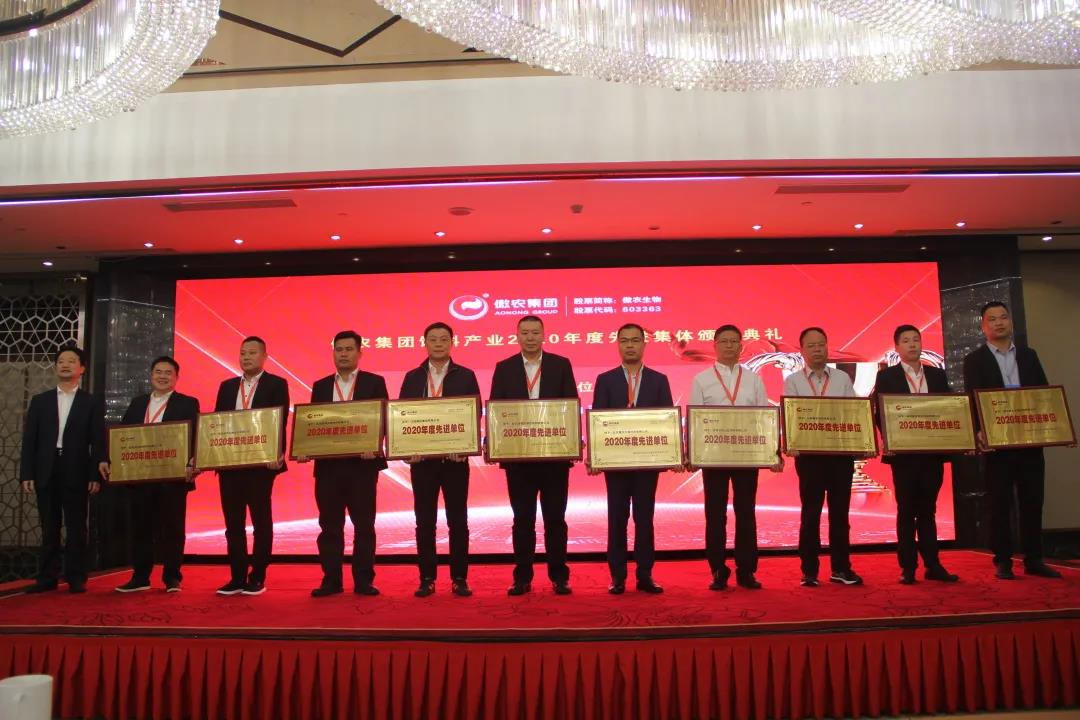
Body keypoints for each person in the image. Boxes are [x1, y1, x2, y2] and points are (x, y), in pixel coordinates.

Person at [962, 302, 1062, 580]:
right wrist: (978, 431)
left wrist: (1055, 428)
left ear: (1011, 322)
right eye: (992, 319)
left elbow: (1044, 394)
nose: (999, 323)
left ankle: (1034, 559)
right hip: (997, 443)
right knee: (999, 503)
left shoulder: (1029, 355)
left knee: (1033, 500)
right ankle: (1003, 560)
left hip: (1029, 440)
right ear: (983, 326)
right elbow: (972, 398)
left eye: (1003, 317)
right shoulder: (975, 360)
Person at [490, 315, 579, 596]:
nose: (530, 337)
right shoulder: (504, 368)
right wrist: (494, 443)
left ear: (544, 335)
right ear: (517, 336)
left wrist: (573, 440)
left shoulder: (561, 364)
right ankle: (522, 577)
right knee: (522, 520)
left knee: (555, 519)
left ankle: (559, 576)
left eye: (535, 332)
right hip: (519, 459)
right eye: (525, 333)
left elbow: (570, 405)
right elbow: (496, 410)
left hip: (554, 459)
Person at [301, 331, 387, 597]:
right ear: (333, 353)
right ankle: (331, 580)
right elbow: (312, 424)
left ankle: (364, 580)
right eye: (339, 349)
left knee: (364, 526)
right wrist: (304, 448)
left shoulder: (374, 382)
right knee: (329, 526)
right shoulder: (321, 385)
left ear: (359, 353)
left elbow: (383, 418)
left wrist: (375, 444)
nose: (344, 354)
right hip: (328, 469)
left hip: (363, 467)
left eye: (349, 349)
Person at [399, 322, 481, 598]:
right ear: (425, 343)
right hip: (422, 463)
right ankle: (426, 578)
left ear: (452, 343)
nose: (438, 343)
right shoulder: (413, 377)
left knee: (458, 521)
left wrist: (466, 446)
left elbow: (474, 413)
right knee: (424, 522)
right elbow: (402, 416)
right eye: (432, 339)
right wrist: (407, 449)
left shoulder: (466, 375)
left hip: (455, 462)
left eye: (443, 339)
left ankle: (460, 578)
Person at [688, 324, 773, 591]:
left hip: (747, 455)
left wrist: (771, 451)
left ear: (741, 346)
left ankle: (746, 570)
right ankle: (717, 569)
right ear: (714, 345)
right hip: (713, 457)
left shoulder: (753, 379)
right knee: (715, 514)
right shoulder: (702, 379)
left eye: (734, 341)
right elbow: (694, 420)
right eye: (724, 341)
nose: (729, 346)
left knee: (746, 512)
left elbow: (764, 417)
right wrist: (692, 453)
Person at [872, 325, 958, 585]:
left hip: (931, 454)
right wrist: (891, 439)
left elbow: (949, 408)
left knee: (928, 511)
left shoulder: (937, 375)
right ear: (897, 347)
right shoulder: (887, 377)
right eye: (906, 341)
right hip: (904, 456)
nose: (912, 345)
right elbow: (879, 414)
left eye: (916, 340)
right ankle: (908, 567)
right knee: (906, 510)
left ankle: (933, 565)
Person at [106, 356, 201, 593]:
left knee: (173, 528)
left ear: (176, 378)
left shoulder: (187, 403)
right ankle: (140, 577)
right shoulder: (138, 403)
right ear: (151, 376)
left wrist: (194, 461)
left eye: (168, 373)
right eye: (158, 372)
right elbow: (123, 436)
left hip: (173, 477)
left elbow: (197, 435)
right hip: (141, 477)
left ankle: (172, 577)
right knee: (141, 528)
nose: (162, 376)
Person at [591, 323, 672, 594]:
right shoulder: (606, 379)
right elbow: (598, 421)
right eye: (624, 340)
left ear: (644, 344)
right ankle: (617, 576)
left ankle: (645, 574)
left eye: (635, 340)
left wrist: (671, 454)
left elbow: (667, 421)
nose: (630, 345)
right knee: (617, 518)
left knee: (644, 518)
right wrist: (596, 457)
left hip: (647, 463)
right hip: (616, 463)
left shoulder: (659, 380)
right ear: (618, 345)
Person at [19, 345, 105, 594]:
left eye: (71, 361)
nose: (65, 365)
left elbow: (98, 440)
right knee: (49, 526)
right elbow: (30, 441)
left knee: (77, 526)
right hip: (46, 468)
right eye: (61, 361)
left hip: (76, 469)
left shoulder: (90, 402)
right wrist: (27, 473)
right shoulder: (41, 401)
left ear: (82, 368)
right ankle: (47, 577)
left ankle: (76, 577)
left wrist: (94, 475)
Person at [783, 327, 865, 587]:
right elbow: (791, 417)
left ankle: (841, 568)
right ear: (802, 351)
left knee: (840, 515)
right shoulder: (793, 381)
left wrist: (861, 442)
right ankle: (809, 571)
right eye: (811, 346)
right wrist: (791, 443)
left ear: (827, 347)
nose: (817, 349)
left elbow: (853, 413)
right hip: (810, 457)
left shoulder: (842, 378)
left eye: (821, 344)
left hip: (840, 456)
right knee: (810, 513)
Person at [212, 336, 290, 596]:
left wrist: (277, 452)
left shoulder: (276, 384)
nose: (246, 357)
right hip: (230, 465)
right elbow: (216, 424)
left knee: (261, 522)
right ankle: (236, 577)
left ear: (264, 356)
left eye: (252, 353)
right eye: (243, 353)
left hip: (260, 465)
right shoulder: (227, 387)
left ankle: (257, 576)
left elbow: (279, 421)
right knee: (233, 524)